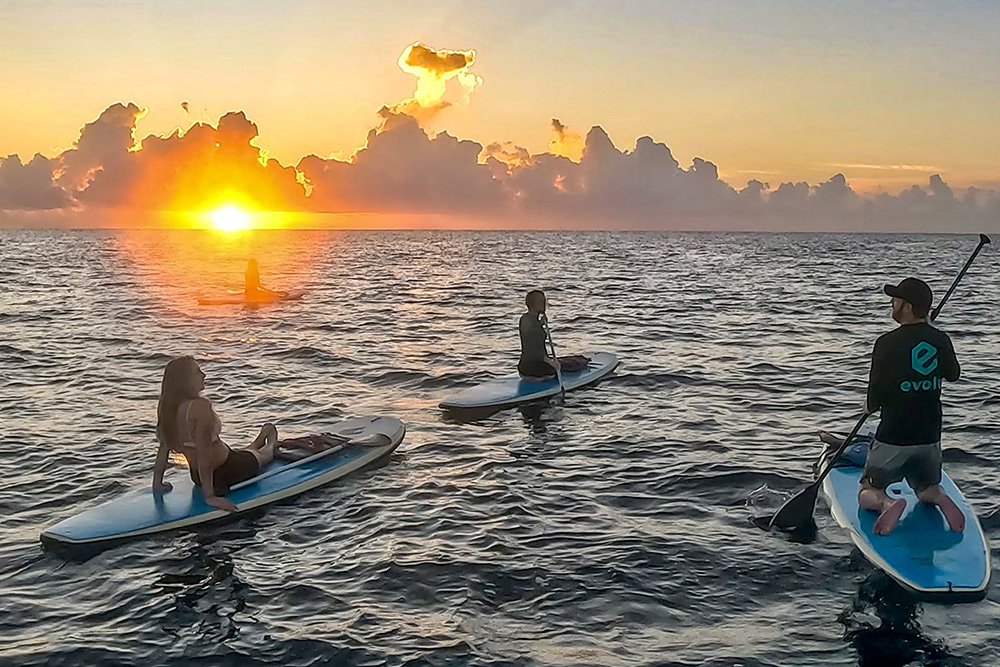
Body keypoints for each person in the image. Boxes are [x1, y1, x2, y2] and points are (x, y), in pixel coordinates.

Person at [859, 277, 964, 535]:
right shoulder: (940, 339)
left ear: (906, 306)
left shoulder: (886, 343)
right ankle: (939, 497)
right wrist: (931, 335)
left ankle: (888, 502)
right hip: (929, 436)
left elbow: (875, 398)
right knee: (926, 486)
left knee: (866, 491)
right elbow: (953, 375)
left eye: (895, 300)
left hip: (895, 435)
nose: (891, 304)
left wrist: (868, 407)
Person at [152, 356, 281, 512]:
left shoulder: (167, 409)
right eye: (197, 372)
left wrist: (157, 484)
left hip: (197, 476)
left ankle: (259, 440)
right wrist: (210, 496)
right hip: (229, 469)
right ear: (186, 381)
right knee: (265, 455)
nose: (203, 375)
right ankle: (271, 439)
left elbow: (163, 448)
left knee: (248, 452)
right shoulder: (200, 407)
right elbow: (203, 451)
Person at [517, 290, 589, 380]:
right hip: (534, 368)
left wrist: (541, 323)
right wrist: (552, 364)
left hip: (523, 366)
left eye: (544, 301)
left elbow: (531, 331)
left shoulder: (524, 319)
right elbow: (536, 351)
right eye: (540, 302)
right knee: (559, 367)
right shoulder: (534, 327)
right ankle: (540, 379)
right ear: (532, 304)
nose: (544, 304)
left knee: (557, 362)